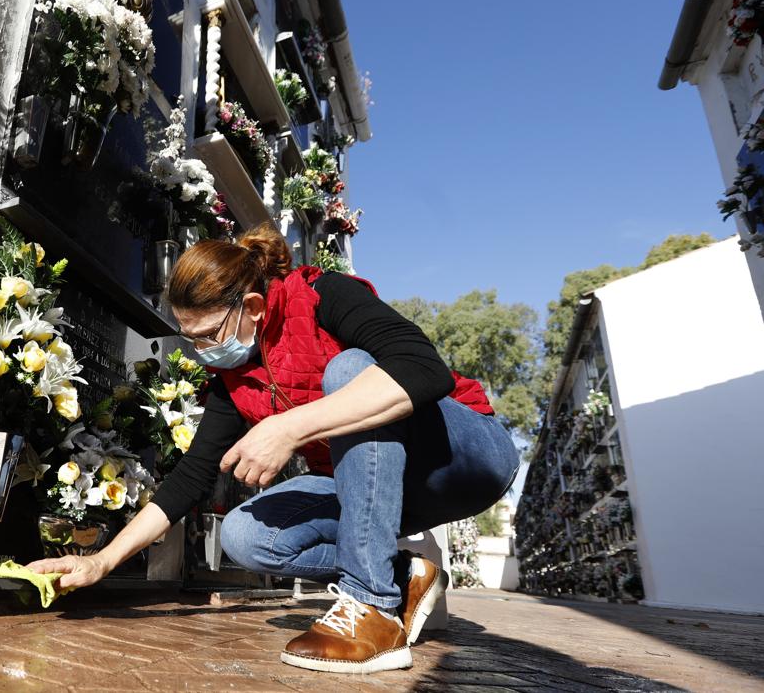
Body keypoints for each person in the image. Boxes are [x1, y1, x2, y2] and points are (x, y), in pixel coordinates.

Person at [27, 226, 520, 675]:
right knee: (245, 537)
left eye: (209, 335)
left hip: (466, 459)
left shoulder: (325, 295)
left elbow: (424, 371)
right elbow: (190, 477)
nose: (202, 352)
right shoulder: (232, 379)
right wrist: (100, 561)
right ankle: (402, 574)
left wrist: (288, 427)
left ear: (255, 307)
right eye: (190, 339)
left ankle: (372, 608)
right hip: (374, 486)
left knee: (349, 371)